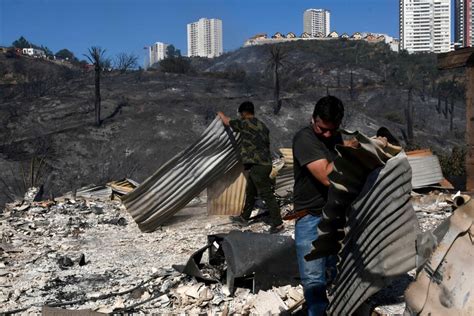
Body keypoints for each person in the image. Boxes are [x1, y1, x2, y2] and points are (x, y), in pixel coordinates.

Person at [292, 96, 345, 315]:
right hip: (310, 218)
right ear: (312, 118)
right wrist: (349, 154)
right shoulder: (304, 138)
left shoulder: (336, 137)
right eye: (322, 129)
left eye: (332, 130)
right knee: (314, 283)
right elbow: (325, 176)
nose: (327, 135)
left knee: (332, 274)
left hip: (334, 216)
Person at [217, 101, 284, 234]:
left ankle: (278, 224)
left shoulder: (244, 123)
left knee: (267, 195)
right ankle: (244, 218)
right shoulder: (263, 126)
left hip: (258, 165)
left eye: (240, 114)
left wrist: (220, 114)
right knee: (251, 192)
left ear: (243, 113)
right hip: (264, 164)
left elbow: (227, 121)